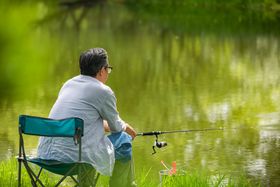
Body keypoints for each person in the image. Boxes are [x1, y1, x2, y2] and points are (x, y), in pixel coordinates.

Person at [37, 48, 137, 186]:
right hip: (75, 158)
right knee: (124, 140)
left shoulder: (68, 84)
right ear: (102, 70)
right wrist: (128, 129)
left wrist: (106, 126)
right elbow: (116, 128)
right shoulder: (103, 91)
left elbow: (83, 121)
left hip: (47, 156)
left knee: (88, 142)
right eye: (108, 69)